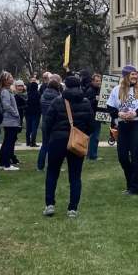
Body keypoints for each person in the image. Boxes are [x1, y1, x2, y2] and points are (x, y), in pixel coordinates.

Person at [43, 75, 94, 218]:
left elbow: (47, 123)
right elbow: (91, 125)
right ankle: (73, 208)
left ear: (66, 86)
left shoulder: (57, 101)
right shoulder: (85, 102)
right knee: (75, 176)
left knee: (52, 173)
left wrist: (50, 137)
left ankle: (50, 204)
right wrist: (83, 133)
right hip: (77, 141)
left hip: (57, 140)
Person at [107, 65, 138, 195]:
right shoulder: (116, 90)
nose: (135, 76)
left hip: (137, 125)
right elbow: (110, 107)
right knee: (122, 156)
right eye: (132, 74)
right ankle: (130, 182)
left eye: (136, 74)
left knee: (135, 154)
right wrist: (119, 114)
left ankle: (136, 187)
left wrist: (136, 113)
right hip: (123, 125)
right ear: (126, 75)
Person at [0, 71, 21, 170]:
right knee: (8, 143)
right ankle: (6, 164)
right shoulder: (5, 92)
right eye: (10, 77)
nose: (12, 78)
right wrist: (15, 113)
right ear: (5, 80)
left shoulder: (7, 90)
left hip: (10, 120)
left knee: (7, 142)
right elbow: (6, 105)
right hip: (10, 120)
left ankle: (2, 163)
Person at [37, 76, 62, 170]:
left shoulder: (43, 96)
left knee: (44, 144)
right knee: (54, 146)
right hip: (55, 123)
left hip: (44, 121)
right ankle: (52, 165)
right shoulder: (58, 98)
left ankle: (40, 166)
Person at [83, 71, 103, 160]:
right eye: (97, 81)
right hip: (93, 116)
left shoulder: (98, 89)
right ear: (92, 81)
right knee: (94, 136)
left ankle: (90, 154)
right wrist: (96, 99)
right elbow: (88, 104)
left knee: (94, 136)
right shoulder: (90, 90)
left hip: (97, 115)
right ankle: (92, 155)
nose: (99, 82)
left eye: (100, 81)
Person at [23, 75, 42, 147]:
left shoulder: (27, 94)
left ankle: (28, 142)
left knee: (28, 127)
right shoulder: (38, 94)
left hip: (28, 113)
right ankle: (33, 142)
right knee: (34, 128)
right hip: (36, 113)